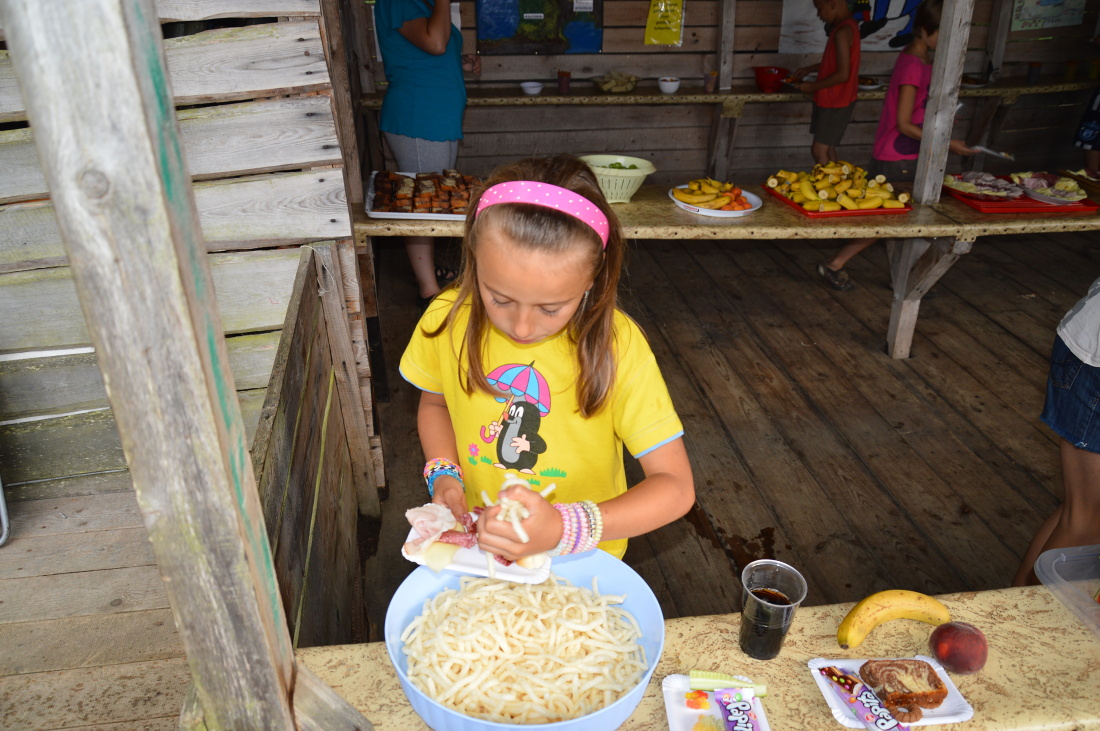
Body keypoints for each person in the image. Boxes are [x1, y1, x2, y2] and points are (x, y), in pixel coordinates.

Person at [399, 154, 695, 561]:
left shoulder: (618, 345)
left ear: (591, 279)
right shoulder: (446, 318)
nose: (522, 328)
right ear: (474, 259)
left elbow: (675, 486)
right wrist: (445, 474)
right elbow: (435, 404)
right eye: (499, 298)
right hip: (483, 543)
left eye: (551, 308)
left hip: (585, 558)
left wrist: (562, 528)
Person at [816, 0, 974, 291]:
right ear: (924, 29)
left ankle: (902, 275)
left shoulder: (923, 59)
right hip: (896, 155)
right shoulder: (912, 64)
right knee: (888, 220)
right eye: (943, 34)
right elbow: (903, 123)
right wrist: (946, 144)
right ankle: (835, 263)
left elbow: (918, 108)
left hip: (909, 151)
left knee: (901, 220)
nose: (948, 41)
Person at [374, 0, 480, 307]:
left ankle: (428, 274)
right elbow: (434, 43)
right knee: (422, 204)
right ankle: (428, 292)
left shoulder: (426, 5)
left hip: (436, 117)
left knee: (433, 199)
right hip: (419, 115)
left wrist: (461, 62)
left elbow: (430, 51)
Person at [1013, 277, 1100, 586]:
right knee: (1087, 521)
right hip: (1094, 362)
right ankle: (1025, 613)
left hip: (1086, 341)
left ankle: (1014, 600)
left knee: (1080, 510)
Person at [790, 0, 861, 165]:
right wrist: (810, 69)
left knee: (819, 150)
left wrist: (812, 86)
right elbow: (837, 63)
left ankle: (826, 181)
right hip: (836, 99)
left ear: (833, 4)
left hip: (835, 100)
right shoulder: (848, 27)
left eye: (819, 8)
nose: (818, 14)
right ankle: (835, 181)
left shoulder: (842, 32)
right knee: (828, 148)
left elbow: (843, 74)